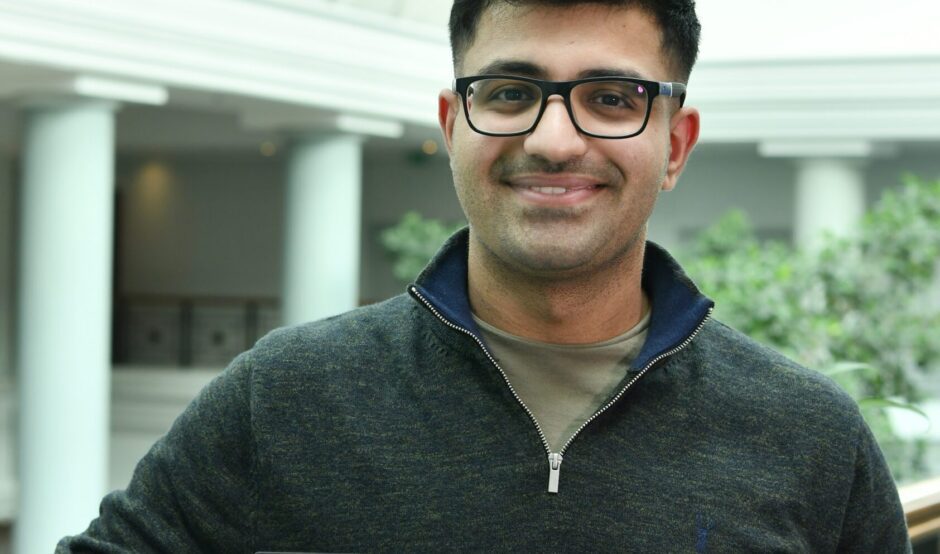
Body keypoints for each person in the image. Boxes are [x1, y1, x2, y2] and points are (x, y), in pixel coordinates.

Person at [59, 0, 911, 552]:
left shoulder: (808, 437)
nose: (552, 139)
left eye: (611, 98)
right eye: (509, 91)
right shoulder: (287, 398)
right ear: (452, 125)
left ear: (675, 144)